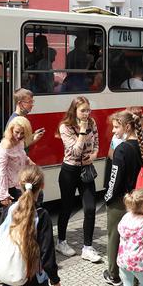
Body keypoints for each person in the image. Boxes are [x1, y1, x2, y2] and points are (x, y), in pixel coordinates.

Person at [103, 110, 143, 286]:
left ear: (127, 127)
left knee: (115, 239)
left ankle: (115, 276)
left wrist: (108, 198)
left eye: (116, 126)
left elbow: (114, 179)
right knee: (136, 242)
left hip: (121, 201)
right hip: (140, 202)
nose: (114, 131)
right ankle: (134, 282)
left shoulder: (122, 149)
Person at [55, 96, 101, 262]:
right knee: (66, 207)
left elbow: (96, 142)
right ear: (74, 110)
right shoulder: (65, 127)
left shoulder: (92, 123)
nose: (86, 114)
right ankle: (61, 241)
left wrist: (94, 155)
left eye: (88, 110)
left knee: (90, 208)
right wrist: (82, 131)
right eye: (83, 110)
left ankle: (87, 247)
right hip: (69, 170)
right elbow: (75, 151)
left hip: (86, 170)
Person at [0, 116, 34, 206]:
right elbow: (1, 171)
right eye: (17, 132)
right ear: (11, 129)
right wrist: (3, 195)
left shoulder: (20, 141)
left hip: (20, 182)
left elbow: (21, 156)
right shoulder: (6, 145)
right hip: (11, 188)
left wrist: (29, 161)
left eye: (22, 133)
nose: (19, 136)